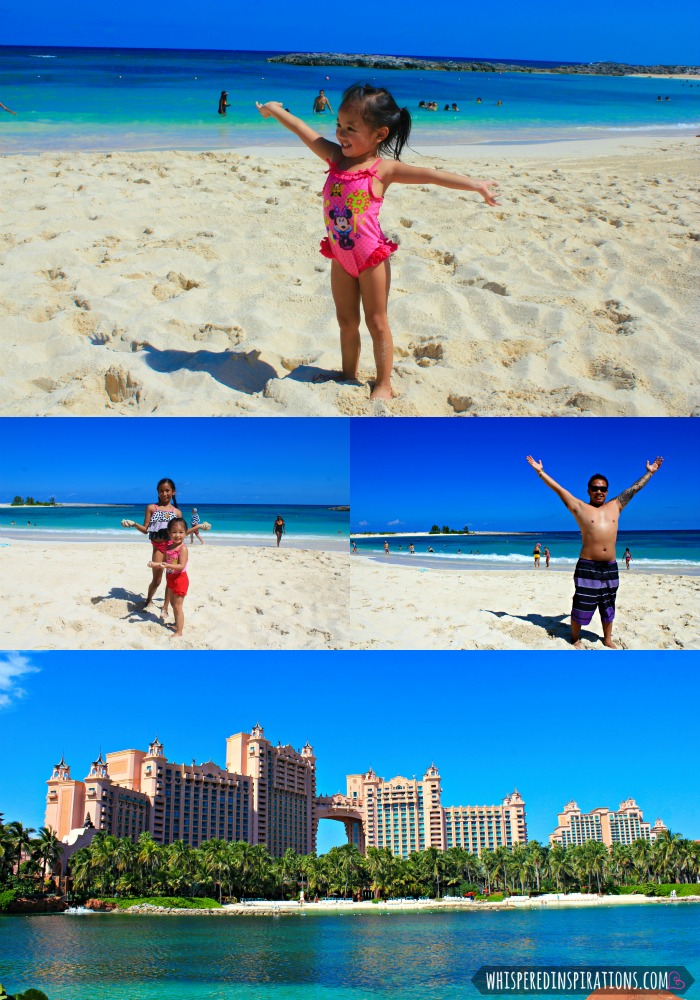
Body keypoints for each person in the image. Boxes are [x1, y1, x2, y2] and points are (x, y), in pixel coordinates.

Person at [256, 83, 499, 400]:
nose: (341, 134)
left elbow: (432, 175)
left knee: (376, 322)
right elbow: (303, 130)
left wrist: (476, 184)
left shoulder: (384, 170)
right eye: (339, 126)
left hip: (371, 258)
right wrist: (274, 110)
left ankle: (384, 383)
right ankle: (347, 375)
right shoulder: (335, 157)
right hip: (340, 257)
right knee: (346, 321)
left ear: (379, 135)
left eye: (351, 129)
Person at [526, 455, 664, 648]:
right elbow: (559, 490)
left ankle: (607, 639)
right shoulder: (580, 508)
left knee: (608, 604)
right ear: (589, 490)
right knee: (581, 603)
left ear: (607, 491)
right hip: (587, 566)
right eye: (595, 488)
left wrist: (649, 473)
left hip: (610, 567)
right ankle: (574, 638)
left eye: (603, 489)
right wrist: (540, 472)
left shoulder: (616, 506)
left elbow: (634, 489)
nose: (599, 491)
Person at [121, 478, 210, 607]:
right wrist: (133, 524)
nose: (164, 494)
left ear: (173, 492)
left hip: (172, 549)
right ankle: (148, 600)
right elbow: (146, 530)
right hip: (158, 547)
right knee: (157, 580)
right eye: (161, 491)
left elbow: (183, 532)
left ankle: (165, 606)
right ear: (157, 492)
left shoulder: (176, 512)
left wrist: (199, 526)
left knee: (170, 580)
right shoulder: (151, 508)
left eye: (167, 490)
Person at [153, 517, 189, 637]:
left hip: (180, 579)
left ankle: (179, 632)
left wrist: (167, 565)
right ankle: (177, 624)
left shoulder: (182, 548)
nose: (177, 535)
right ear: (169, 533)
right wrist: (155, 564)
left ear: (185, 533)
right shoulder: (168, 547)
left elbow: (181, 565)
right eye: (174, 532)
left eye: (181, 532)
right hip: (170, 578)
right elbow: (163, 563)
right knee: (173, 605)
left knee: (178, 606)